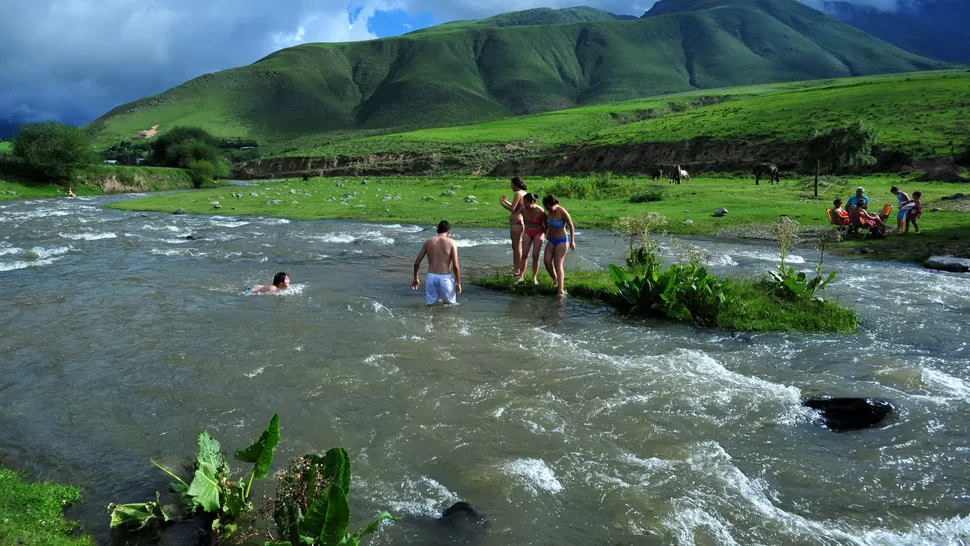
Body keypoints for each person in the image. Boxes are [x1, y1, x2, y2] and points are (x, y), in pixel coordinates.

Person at [412, 220, 462, 305]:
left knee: (430, 305)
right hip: (446, 278)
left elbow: (417, 263)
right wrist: (458, 283)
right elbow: (456, 266)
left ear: (437, 230)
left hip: (431, 278)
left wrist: (416, 278)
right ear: (449, 231)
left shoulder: (428, 242)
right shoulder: (452, 242)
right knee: (450, 306)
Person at [542, 195, 576, 297]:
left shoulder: (562, 211)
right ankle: (556, 280)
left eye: (549, 207)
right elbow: (548, 225)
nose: (548, 210)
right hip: (551, 240)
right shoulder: (549, 212)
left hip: (562, 240)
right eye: (546, 208)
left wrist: (572, 241)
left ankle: (560, 290)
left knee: (558, 264)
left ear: (554, 204)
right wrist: (546, 233)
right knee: (547, 261)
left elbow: (571, 225)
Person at [499, 176, 528, 276]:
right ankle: (518, 269)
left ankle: (516, 270)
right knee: (517, 246)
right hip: (521, 222)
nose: (511, 186)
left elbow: (512, 209)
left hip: (516, 223)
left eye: (511, 184)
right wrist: (506, 201)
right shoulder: (523, 193)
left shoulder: (517, 193)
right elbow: (517, 206)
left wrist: (502, 203)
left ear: (515, 184)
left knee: (516, 247)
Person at [516, 193, 547, 285]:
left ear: (532, 202)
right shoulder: (522, 209)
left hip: (539, 232)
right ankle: (521, 276)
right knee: (525, 254)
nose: (525, 205)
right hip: (527, 232)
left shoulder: (540, 211)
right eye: (523, 203)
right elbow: (514, 211)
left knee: (535, 255)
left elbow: (546, 225)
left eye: (526, 203)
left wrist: (547, 235)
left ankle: (534, 277)